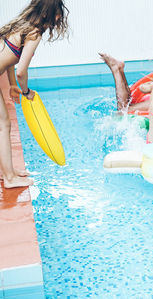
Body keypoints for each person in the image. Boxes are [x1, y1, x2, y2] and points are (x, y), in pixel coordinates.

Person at [0, 0, 69, 188]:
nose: (59, 16)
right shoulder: (34, 33)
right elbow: (22, 69)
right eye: (57, 12)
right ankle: (9, 179)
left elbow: (9, 59)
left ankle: (7, 171)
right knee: (3, 125)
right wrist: (26, 91)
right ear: (47, 12)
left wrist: (13, 84)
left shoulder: (22, 24)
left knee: (2, 124)